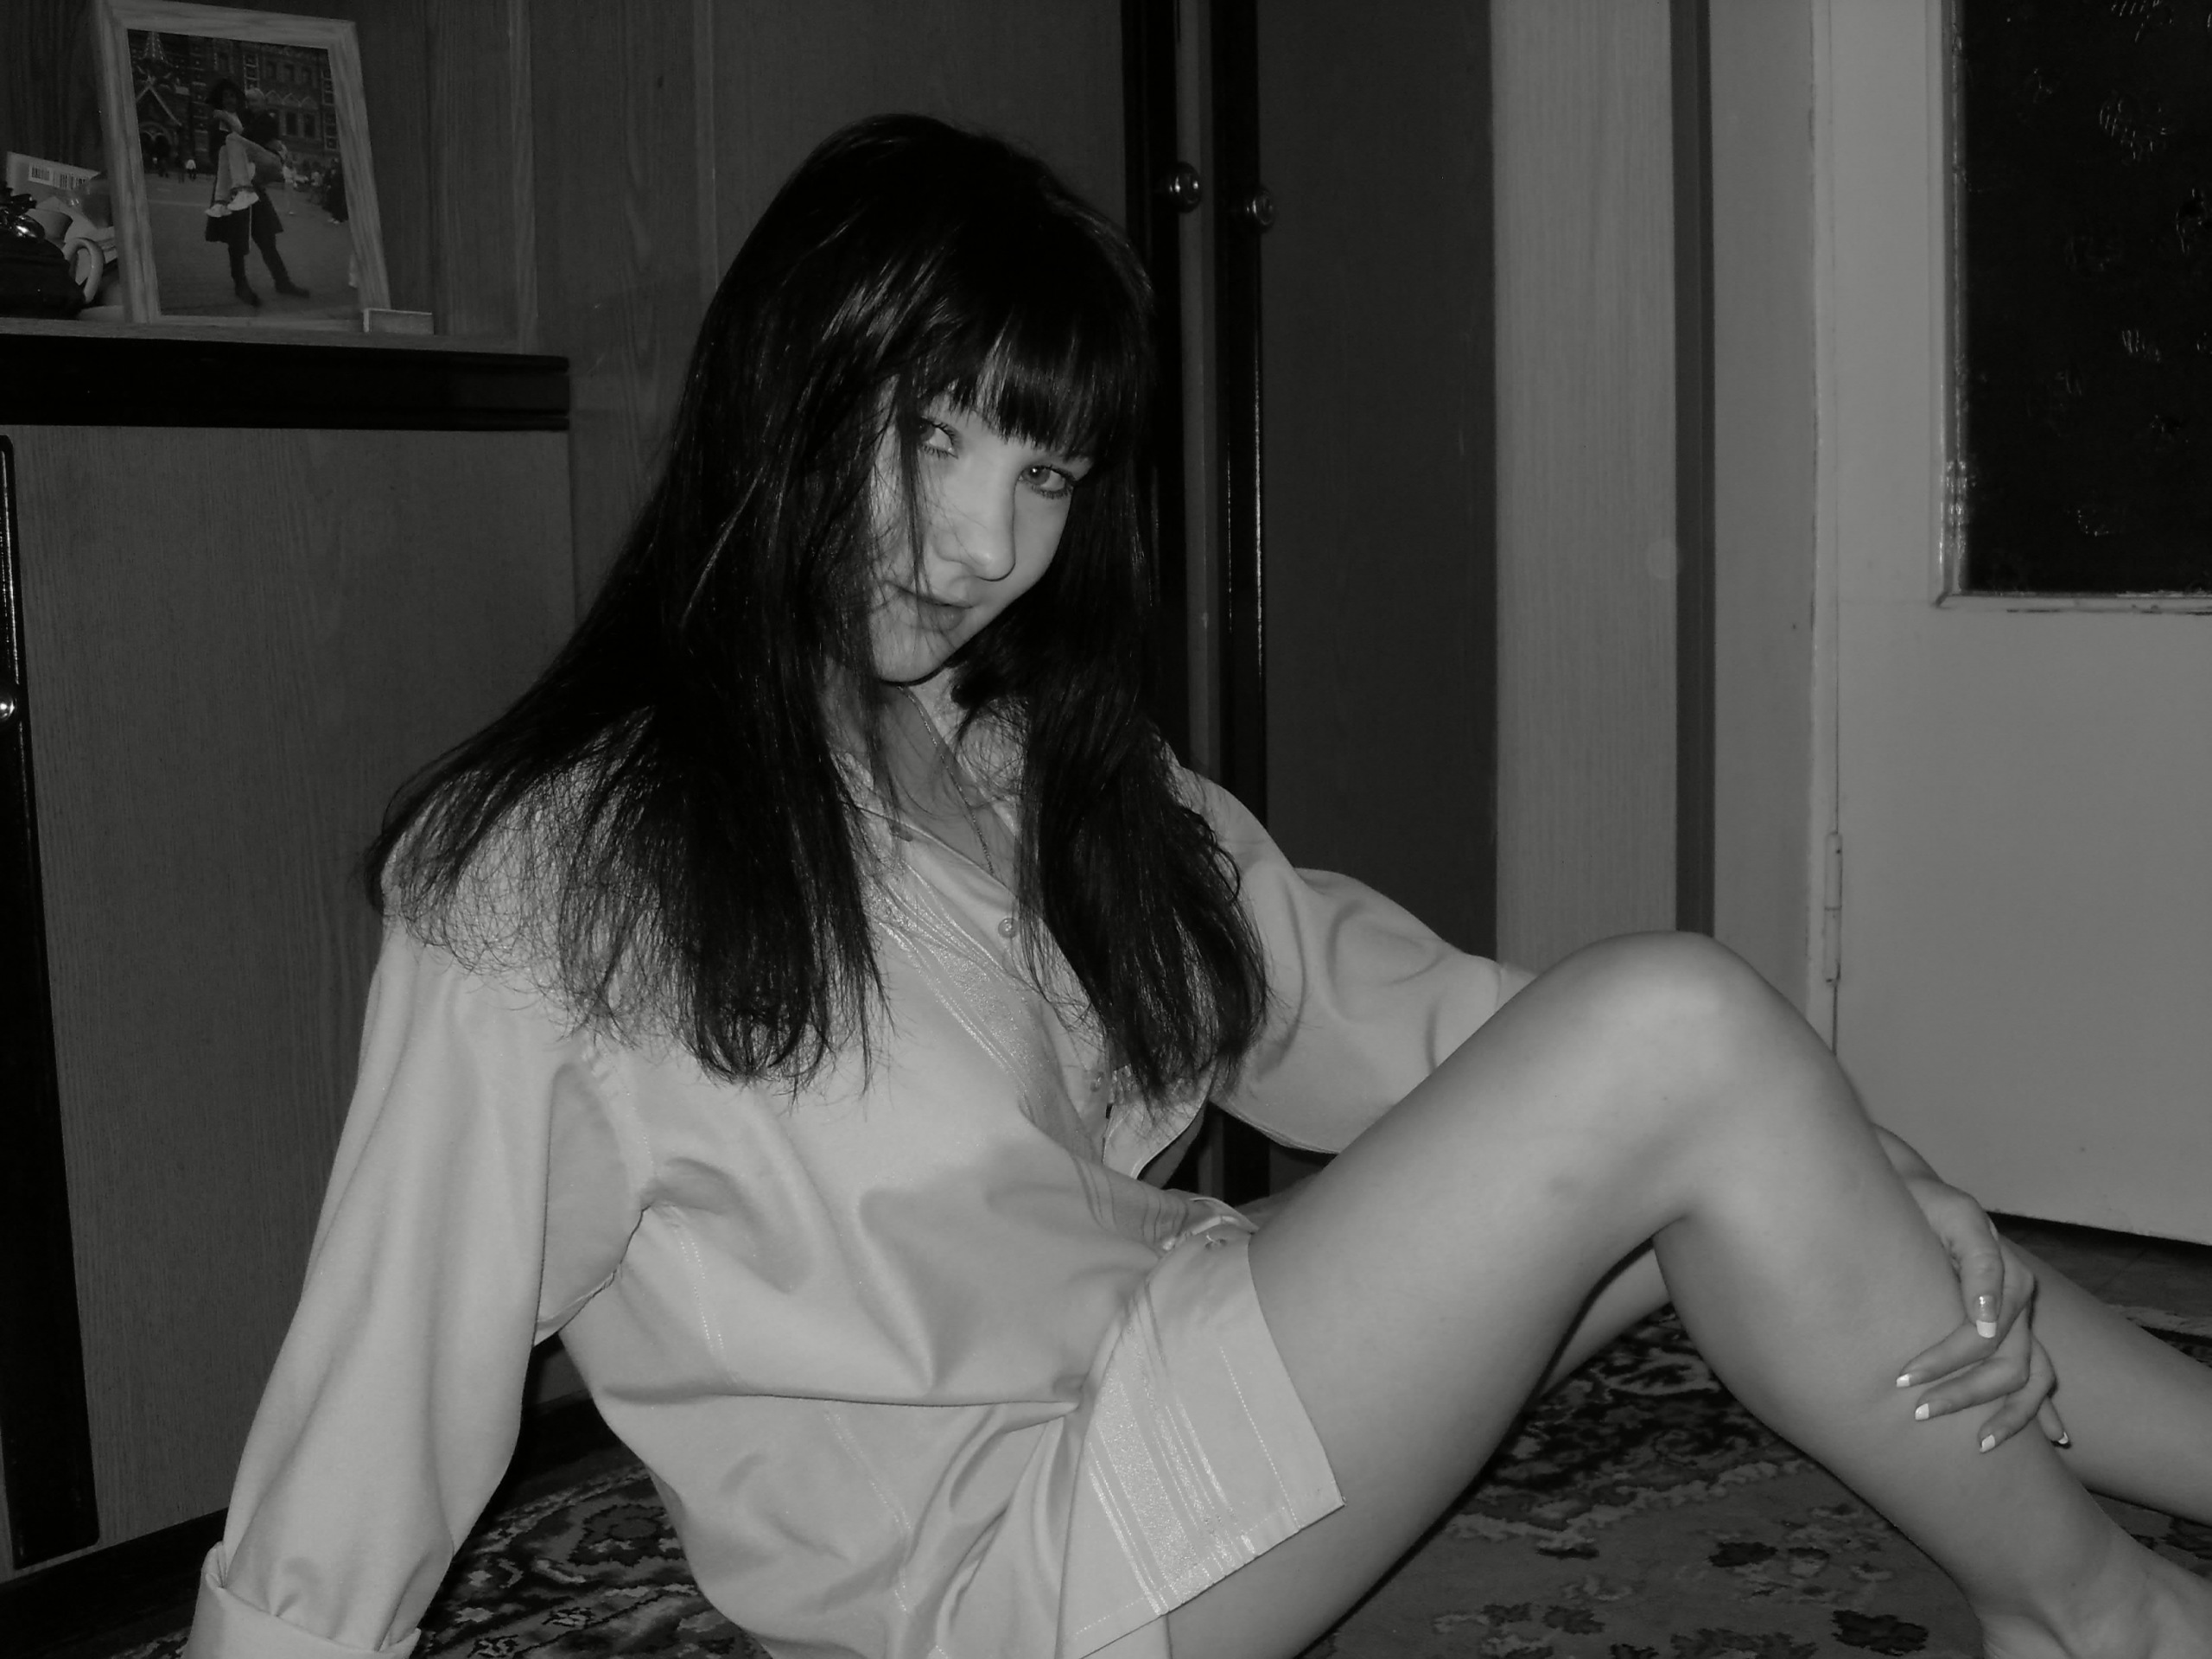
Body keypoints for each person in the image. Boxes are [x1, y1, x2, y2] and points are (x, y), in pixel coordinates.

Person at [183, 114, 2212, 1659]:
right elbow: (384, 1375)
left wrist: (1868, 1160)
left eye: (1044, 474)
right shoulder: (551, 876)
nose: (984, 544)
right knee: (1671, 1023)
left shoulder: (1031, 766)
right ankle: (2104, 1619)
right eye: (931, 435)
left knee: (1725, 1117)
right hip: (1017, 1576)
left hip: (1187, 1371)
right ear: (781, 398)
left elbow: (1420, 1026)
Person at [200, 79, 307, 307]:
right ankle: (241, 285)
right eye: (226, 96)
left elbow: (260, 139)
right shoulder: (219, 122)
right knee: (237, 239)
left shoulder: (245, 118)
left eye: (233, 96)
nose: (231, 100)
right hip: (233, 187)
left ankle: (282, 281)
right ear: (219, 99)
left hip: (254, 185)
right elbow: (215, 155)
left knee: (266, 237)